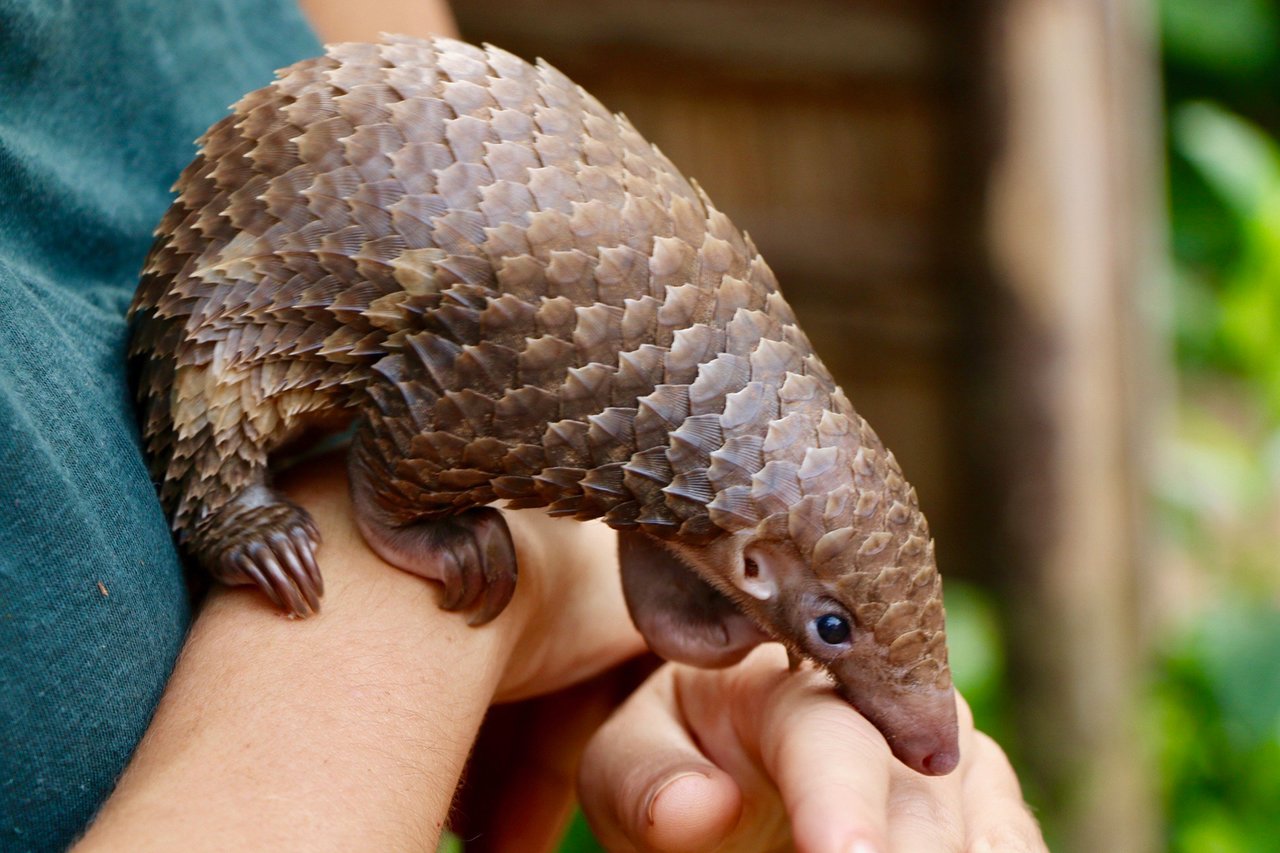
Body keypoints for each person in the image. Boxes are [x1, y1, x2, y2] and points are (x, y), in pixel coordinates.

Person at [0, 0, 1049, 850]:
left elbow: (458, 155)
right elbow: (433, 406)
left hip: (370, 261)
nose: (933, 742)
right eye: (832, 628)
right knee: (222, 423)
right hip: (241, 330)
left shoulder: (695, 443)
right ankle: (221, 505)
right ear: (757, 560)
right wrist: (484, 607)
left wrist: (610, 608)